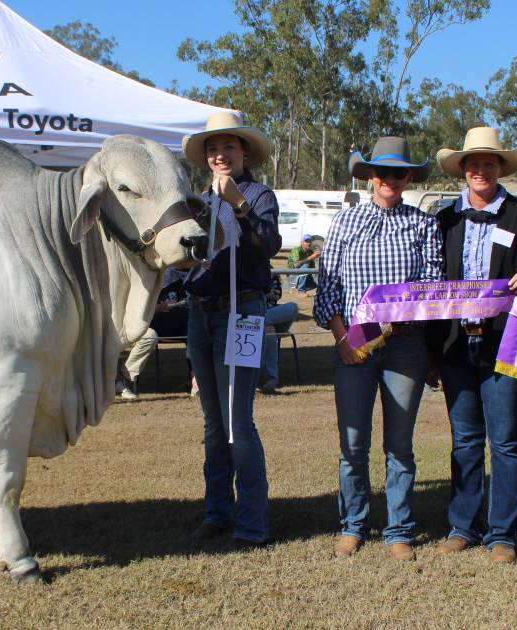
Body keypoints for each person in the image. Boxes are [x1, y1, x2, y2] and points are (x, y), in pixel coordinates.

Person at [313, 137, 444, 561]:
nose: (390, 179)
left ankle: (399, 529)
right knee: (352, 443)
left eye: (399, 173)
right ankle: (353, 524)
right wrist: (341, 338)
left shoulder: (423, 225)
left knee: (399, 445)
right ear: (370, 176)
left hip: (405, 345)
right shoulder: (346, 223)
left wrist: (397, 321)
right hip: (354, 341)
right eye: (382, 172)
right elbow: (328, 286)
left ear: (409, 178)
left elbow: (431, 286)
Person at [427, 126, 517, 564]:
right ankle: (463, 525)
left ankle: (504, 533)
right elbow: (432, 290)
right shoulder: (443, 220)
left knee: (505, 441)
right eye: (473, 163)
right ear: (462, 170)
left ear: (501, 168)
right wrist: (430, 354)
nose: (481, 170)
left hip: (509, 343)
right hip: (455, 345)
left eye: (489, 163)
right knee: (464, 441)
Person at [180, 112, 281, 549]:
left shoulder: (259, 196)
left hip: (242, 314)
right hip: (199, 315)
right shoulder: (197, 203)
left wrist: (237, 202)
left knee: (238, 421)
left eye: (229, 147)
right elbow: (186, 256)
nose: (220, 154)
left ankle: (252, 524)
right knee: (212, 423)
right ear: (206, 157)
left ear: (244, 152)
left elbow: (267, 246)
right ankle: (217, 513)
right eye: (213, 148)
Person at [118, 267, 191, 399]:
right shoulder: (145, 282)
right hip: (144, 325)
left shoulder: (182, 280)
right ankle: (124, 378)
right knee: (150, 335)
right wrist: (158, 308)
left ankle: (196, 379)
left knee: (194, 333)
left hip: (180, 325)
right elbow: (135, 314)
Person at [259, 274, 298, 392]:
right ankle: (272, 378)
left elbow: (276, 294)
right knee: (268, 328)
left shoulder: (271, 273)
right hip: (253, 316)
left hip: (270, 313)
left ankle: (262, 320)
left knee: (293, 307)